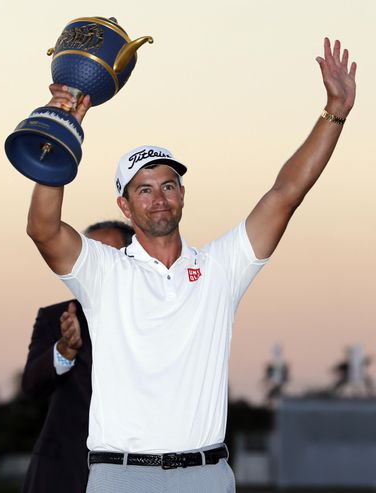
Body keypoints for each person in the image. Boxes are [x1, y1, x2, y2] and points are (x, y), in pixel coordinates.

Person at [24, 38, 356, 492]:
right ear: (124, 204)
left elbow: (285, 194)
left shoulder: (220, 268)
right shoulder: (105, 271)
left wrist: (335, 111)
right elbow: (43, 228)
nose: (158, 198)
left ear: (182, 195)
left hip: (206, 475)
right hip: (119, 475)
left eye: (169, 185)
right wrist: (60, 131)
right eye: (144, 189)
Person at [21, 221, 134, 493]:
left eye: (107, 255)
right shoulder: (55, 318)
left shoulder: (158, 321)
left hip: (134, 476)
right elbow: (32, 386)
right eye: (88, 256)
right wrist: (64, 350)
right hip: (61, 475)